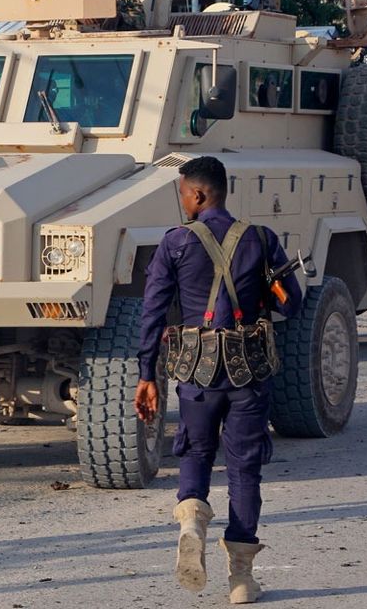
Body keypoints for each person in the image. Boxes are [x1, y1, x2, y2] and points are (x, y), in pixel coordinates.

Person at [135, 156, 302, 604]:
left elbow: (152, 312)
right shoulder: (262, 239)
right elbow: (292, 305)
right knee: (245, 469)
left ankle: (192, 518)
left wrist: (146, 374)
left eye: (184, 192)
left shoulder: (174, 243)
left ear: (199, 194)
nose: (182, 200)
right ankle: (242, 579)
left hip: (197, 371)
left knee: (195, 448)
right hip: (248, 373)